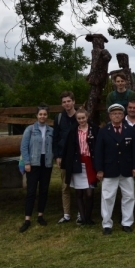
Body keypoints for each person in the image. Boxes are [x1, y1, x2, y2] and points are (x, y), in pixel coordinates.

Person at [94, 104, 135, 235]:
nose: (117, 116)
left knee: (129, 196)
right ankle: (107, 224)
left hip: (127, 169)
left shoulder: (129, 129)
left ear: (123, 115)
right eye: (114, 114)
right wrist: (99, 169)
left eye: (119, 114)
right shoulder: (104, 131)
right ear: (110, 116)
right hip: (109, 169)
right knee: (107, 197)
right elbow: (98, 152)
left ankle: (127, 223)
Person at [62, 107, 100, 226]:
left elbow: (99, 146)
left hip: (90, 163)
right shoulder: (73, 131)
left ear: (87, 117)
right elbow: (68, 149)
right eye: (79, 118)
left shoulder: (94, 129)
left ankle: (88, 217)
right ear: (76, 119)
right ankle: (83, 218)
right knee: (79, 193)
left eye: (83, 118)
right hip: (77, 163)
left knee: (89, 193)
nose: (81, 120)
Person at [19, 104, 54, 233]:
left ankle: (40, 215)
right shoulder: (30, 129)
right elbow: (24, 147)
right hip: (33, 163)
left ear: (47, 116)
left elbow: (53, 147)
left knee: (44, 190)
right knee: (31, 191)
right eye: (40, 114)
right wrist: (27, 162)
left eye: (45, 114)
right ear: (37, 115)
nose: (42, 116)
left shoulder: (51, 130)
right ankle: (27, 218)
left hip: (46, 163)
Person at [53, 91, 77, 224]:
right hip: (63, 155)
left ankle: (81, 212)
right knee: (65, 186)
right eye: (64, 102)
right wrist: (57, 155)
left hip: (78, 156)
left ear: (73, 101)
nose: (66, 104)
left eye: (68, 101)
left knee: (80, 187)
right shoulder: (59, 118)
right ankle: (66, 214)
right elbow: (55, 138)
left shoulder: (80, 116)